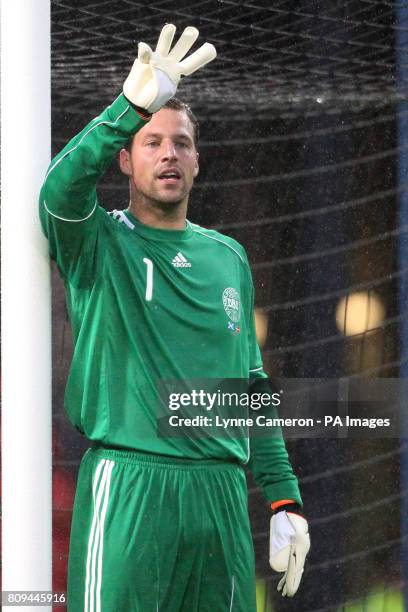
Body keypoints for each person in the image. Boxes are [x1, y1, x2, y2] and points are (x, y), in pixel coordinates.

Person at [40, 24, 310, 612]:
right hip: (131, 484)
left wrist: (284, 498)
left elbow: (251, 390)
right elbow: (57, 193)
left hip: (219, 496)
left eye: (181, 142)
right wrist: (127, 106)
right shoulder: (100, 242)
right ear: (125, 160)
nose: (168, 152)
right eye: (151, 140)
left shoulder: (228, 257)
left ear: (197, 161)